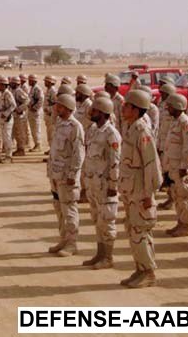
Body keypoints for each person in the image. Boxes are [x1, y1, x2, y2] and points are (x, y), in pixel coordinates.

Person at [119, 90, 162, 288]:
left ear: (136, 110)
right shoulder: (131, 128)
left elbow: (151, 165)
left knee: (140, 232)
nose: (123, 108)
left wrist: (149, 195)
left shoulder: (142, 131)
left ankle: (148, 272)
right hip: (131, 190)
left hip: (141, 192)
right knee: (133, 231)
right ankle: (140, 269)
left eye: (127, 106)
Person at [82, 97, 121, 269]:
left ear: (104, 113)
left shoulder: (111, 134)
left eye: (95, 111)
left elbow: (115, 161)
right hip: (94, 184)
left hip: (106, 186)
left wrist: (113, 185)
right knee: (97, 220)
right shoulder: (93, 130)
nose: (91, 113)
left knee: (107, 221)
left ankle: (108, 257)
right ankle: (99, 254)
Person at [47, 94, 85, 257]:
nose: (56, 108)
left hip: (67, 176)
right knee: (59, 209)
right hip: (56, 174)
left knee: (69, 209)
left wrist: (73, 174)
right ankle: (63, 239)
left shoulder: (75, 126)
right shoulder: (59, 123)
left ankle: (72, 243)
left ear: (67, 108)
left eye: (59, 106)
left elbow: (79, 153)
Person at [161, 94, 188, 237]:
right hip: (174, 166)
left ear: (177, 106)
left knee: (184, 198)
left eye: (170, 106)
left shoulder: (185, 122)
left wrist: (184, 167)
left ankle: (186, 226)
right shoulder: (175, 121)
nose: (167, 108)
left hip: (182, 168)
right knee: (177, 197)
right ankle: (180, 223)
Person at [27, 74, 44, 152]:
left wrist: (35, 108)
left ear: (34, 81)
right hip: (31, 112)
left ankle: (38, 145)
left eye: (30, 80)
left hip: (35, 112)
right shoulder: (32, 88)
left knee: (36, 129)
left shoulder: (37, 89)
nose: (28, 81)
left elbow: (41, 100)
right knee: (33, 129)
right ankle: (36, 144)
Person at [43, 75, 57, 155]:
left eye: (46, 81)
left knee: (51, 134)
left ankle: (53, 150)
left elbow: (55, 104)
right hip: (48, 115)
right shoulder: (48, 90)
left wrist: (49, 109)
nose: (45, 82)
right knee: (49, 134)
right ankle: (51, 148)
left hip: (51, 115)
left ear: (51, 82)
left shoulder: (53, 91)